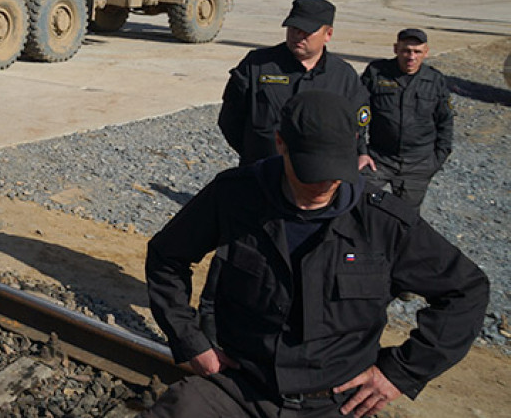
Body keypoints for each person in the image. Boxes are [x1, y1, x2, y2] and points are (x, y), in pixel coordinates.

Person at [145, 90, 488, 418]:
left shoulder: (382, 222)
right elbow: (166, 257)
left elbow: (466, 290)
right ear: (281, 144)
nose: (323, 184)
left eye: (333, 173)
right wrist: (193, 343)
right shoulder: (235, 196)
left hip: (335, 404)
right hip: (237, 389)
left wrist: (401, 373)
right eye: (310, 172)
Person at [218, 0, 371, 168]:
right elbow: (230, 120)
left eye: (306, 31)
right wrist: (254, 151)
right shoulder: (258, 65)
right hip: (262, 172)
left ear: (328, 34)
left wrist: (360, 152)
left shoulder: (343, 77)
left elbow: (356, 125)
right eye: (293, 28)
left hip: (315, 179)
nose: (298, 35)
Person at [360, 28, 454, 210]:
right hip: (379, 158)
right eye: (406, 50)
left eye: (417, 51)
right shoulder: (377, 73)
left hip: (418, 163)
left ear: (426, 52)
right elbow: (360, 113)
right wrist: (361, 151)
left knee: (406, 218)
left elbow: (445, 122)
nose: (411, 57)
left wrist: (436, 160)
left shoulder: (434, 80)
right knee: (357, 201)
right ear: (396, 49)